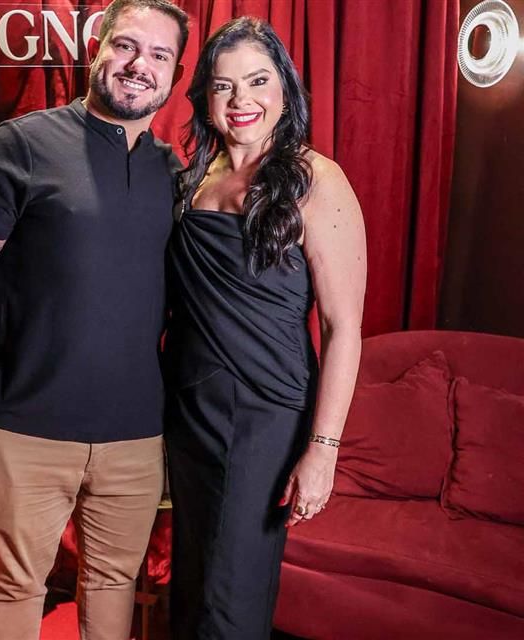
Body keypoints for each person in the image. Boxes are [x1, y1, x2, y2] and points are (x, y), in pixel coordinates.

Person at [0, 2, 188, 638]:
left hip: (136, 436)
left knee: (114, 584)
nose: (139, 65)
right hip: (27, 428)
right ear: (97, 47)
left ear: (176, 74)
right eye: (126, 46)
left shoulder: (175, 173)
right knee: (16, 585)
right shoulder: (22, 144)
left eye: (159, 55)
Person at [163, 17, 366, 640]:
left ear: (285, 89)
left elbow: (342, 327)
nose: (241, 100)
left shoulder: (316, 179)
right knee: (192, 588)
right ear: (205, 97)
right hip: (190, 412)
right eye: (224, 86)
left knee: (230, 602)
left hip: (264, 416)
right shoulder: (190, 181)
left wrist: (323, 450)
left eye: (257, 81)